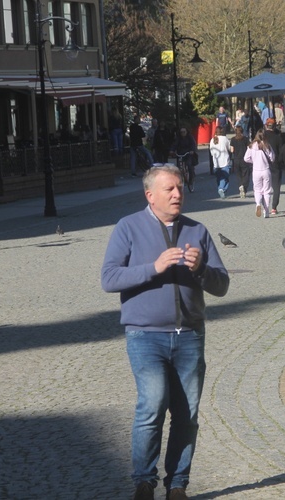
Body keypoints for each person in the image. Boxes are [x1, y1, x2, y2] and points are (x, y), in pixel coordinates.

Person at [101, 166, 230, 500]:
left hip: (189, 335)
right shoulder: (128, 227)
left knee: (187, 414)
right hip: (146, 335)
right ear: (150, 195)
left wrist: (201, 268)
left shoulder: (197, 230)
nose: (177, 194)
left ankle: (177, 485)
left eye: (180, 188)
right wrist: (154, 268)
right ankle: (144, 481)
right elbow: (109, 278)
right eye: (170, 189)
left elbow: (222, 285)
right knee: (153, 403)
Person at [243, 129, 274, 218]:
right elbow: (272, 158)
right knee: (267, 191)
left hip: (256, 170)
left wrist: (253, 161)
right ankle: (266, 211)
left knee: (257, 190)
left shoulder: (251, 146)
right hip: (266, 170)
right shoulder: (267, 145)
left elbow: (246, 158)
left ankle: (258, 204)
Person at [263, 118, 285, 214]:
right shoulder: (278, 137)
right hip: (276, 164)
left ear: (266, 125)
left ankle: (264, 205)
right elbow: (281, 151)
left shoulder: (262, 137)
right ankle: (274, 207)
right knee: (276, 187)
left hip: (263, 164)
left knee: (265, 187)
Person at [209, 126, 231, 199]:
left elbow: (211, 152)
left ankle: (221, 189)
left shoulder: (212, 140)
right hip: (224, 161)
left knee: (219, 178)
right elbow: (229, 148)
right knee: (225, 178)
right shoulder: (225, 139)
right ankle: (222, 189)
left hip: (216, 163)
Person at [230, 125, 251, 199]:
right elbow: (249, 148)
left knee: (238, 175)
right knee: (245, 174)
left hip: (236, 159)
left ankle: (240, 185)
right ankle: (244, 187)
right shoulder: (245, 139)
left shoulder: (233, 139)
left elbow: (232, 150)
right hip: (244, 159)